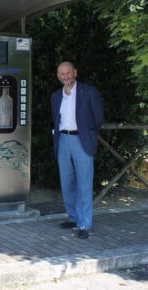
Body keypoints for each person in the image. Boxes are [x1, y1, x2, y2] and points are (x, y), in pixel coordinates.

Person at [51, 61, 104, 239]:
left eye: (68, 73)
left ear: (75, 72)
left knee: (84, 183)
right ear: (58, 76)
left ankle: (84, 224)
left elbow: (98, 120)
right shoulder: (56, 96)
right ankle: (73, 217)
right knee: (66, 182)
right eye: (62, 74)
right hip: (63, 140)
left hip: (81, 140)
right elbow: (55, 119)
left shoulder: (89, 92)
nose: (65, 76)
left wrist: (89, 134)